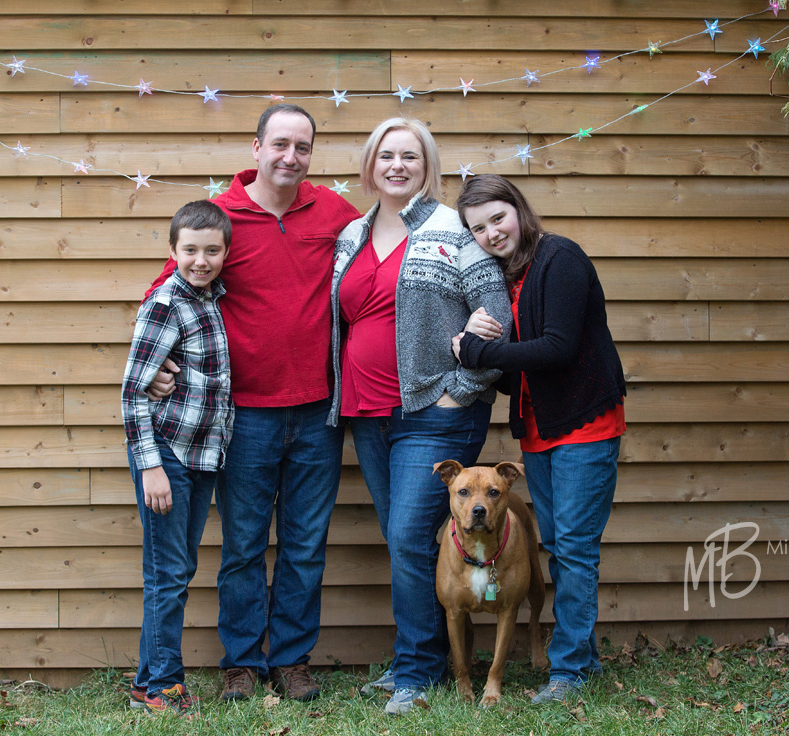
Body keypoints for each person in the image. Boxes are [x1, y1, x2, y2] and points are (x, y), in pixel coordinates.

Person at [144, 105, 360, 701]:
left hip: (320, 411)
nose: (291, 157)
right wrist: (163, 366)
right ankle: (241, 661)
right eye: (280, 144)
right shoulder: (224, 217)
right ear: (257, 146)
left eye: (303, 147)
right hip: (244, 415)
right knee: (242, 545)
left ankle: (291, 659)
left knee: (304, 543)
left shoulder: (335, 213)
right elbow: (168, 286)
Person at [328, 118, 512, 715]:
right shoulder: (351, 235)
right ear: (370, 164)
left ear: (427, 165)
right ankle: (426, 659)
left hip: (435, 415)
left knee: (407, 538)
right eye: (387, 156)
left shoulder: (453, 229)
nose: (398, 166)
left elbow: (495, 316)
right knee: (405, 542)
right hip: (368, 411)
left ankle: (413, 672)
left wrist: (460, 390)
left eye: (411, 156)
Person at [452, 174, 627, 704]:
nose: (491, 233)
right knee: (559, 546)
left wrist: (479, 353)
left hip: (584, 425)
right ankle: (584, 662)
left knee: (573, 549)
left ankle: (569, 671)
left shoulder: (561, 258)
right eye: (477, 229)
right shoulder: (512, 279)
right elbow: (520, 370)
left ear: (519, 210)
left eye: (497, 218)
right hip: (538, 430)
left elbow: (557, 350)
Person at [121, 200, 234, 714]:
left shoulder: (209, 300)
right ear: (173, 251)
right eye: (190, 250)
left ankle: (147, 679)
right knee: (168, 573)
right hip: (166, 455)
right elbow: (132, 392)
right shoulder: (167, 302)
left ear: (226, 252)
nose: (201, 260)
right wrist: (149, 466)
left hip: (200, 456)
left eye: (212, 250)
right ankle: (165, 685)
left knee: (176, 567)